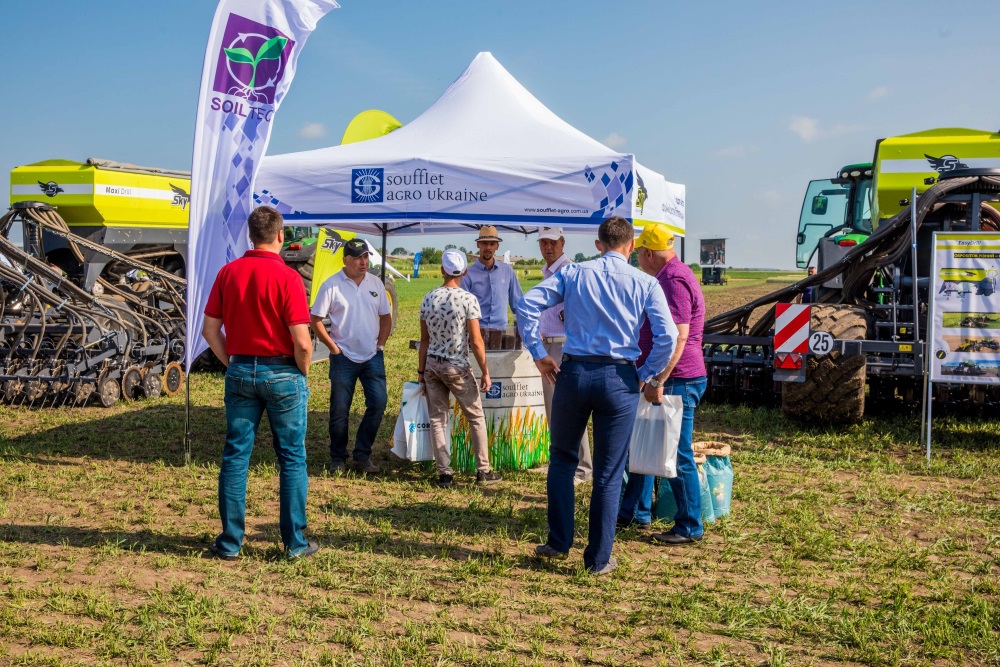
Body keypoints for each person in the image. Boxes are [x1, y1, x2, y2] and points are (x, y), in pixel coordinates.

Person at [516, 216, 677, 575]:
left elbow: (527, 305)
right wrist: (644, 374)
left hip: (573, 373)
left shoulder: (574, 274)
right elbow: (666, 337)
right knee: (607, 471)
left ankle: (558, 541)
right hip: (620, 377)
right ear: (631, 246)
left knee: (561, 459)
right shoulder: (646, 283)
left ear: (598, 243)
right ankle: (599, 559)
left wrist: (539, 354)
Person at [202, 205, 318, 561]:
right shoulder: (288, 278)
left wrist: (233, 362)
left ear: (249, 235)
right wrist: (302, 370)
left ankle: (229, 543)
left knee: (236, 457)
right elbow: (302, 341)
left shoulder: (228, 273)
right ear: (281, 235)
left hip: (240, 370)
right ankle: (294, 543)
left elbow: (210, 330)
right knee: (292, 457)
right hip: (282, 371)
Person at [619, 224, 709, 545]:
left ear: (646, 253)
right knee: (647, 442)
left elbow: (678, 335)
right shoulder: (675, 273)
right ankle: (636, 512)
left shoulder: (671, 280)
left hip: (678, 378)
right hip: (676, 376)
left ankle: (688, 525)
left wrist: (659, 378)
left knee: (679, 452)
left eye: (638, 255)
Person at [418, 249, 502, 488]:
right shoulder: (468, 299)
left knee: (437, 419)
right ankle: (483, 470)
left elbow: (424, 340)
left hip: (433, 365)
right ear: (465, 271)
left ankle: (444, 474)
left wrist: (421, 373)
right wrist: (485, 371)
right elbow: (476, 341)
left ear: (442, 271)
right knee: (475, 417)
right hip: (457, 367)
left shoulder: (428, 297)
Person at [311, 238, 392, 474]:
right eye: (357, 257)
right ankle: (338, 457)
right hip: (343, 356)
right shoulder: (331, 285)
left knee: (379, 403)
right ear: (345, 260)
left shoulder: (376, 283)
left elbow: (385, 316)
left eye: (365, 257)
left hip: (372, 356)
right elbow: (315, 319)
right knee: (339, 410)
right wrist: (333, 348)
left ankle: (362, 455)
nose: (363, 262)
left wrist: (381, 344)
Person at [536, 227, 593, 485]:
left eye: (552, 243)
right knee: (554, 410)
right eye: (543, 243)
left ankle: (582, 468)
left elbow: (579, 306)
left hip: (563, 346)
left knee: (570, 408)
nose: (548, 247)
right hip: (549, 346)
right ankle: (559, 461)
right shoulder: (547, 272)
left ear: (562, 243)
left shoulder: (570, 271)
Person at [460, 226, 524, 348]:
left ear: (497, 246)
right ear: (478, 245)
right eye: (484, 243)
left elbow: (518, 304)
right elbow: (462, 310)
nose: (488, 248)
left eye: (492, 243)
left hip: (502, 334)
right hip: (476, 334)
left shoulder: (507, 271)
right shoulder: (467, 274)